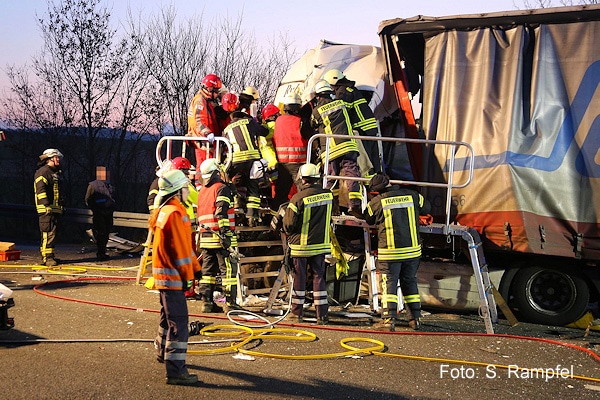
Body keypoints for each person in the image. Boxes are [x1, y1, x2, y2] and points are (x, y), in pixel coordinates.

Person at [149, 169, 201, 386]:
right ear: (177, 192)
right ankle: (176, 370)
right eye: (186, 187)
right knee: (178, 322)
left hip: (163, 275)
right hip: (173, 277)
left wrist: (194, 266)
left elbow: (182, 250)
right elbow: (181, 252)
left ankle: (162, 352)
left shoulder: (165, 210)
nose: (189, 190)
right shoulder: (176, 214)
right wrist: (192, 274)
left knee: (166, 317)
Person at [364, 173, 431, 331]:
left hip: (391, 252)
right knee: (410, 282)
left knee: (389, 285)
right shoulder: (413, 195)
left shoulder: (376, 202)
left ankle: (388, 321)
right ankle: (415, 319)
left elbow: (368, 218)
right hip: (412, 250)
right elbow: (427, 207)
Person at [283, 163, 333, 324]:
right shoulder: (328, 195)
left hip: (301, 246)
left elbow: (289, 224)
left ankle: (297, 313)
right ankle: (322, 315)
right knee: (319, 277)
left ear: (303, 179)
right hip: (320, 245)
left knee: (300, 278)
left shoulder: (297, 198)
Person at [309, 79, 363, 218]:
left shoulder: (317, 111)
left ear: (318, 96)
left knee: (330, 177)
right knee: (352, 173)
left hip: (330, 149)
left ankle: (331, 205)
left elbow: (313, 124)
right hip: (347, 145)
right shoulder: (341, 103)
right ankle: (355, 203)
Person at [196, 158, 238, 313]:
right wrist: (226, 235)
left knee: (207, 272)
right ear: (216, 172)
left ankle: (206, 303)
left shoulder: (202, 191)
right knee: (228, 272)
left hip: (205, 238)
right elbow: (221, 213)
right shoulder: (220, 188)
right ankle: (231, 304)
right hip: (219, 237)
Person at [222, 92, 269, 226]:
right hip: (254, 159)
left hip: (236, 160)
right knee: (253, 185)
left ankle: (236, 200)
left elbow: (225, 147)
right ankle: (251, 216)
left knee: (229, 180)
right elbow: (263, 132)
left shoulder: (226, 129)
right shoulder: (249, 121)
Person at [323, 69, 381, 174]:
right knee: (374, 158)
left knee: (366, 158)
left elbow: (342, 112)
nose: (330, 88)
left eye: (330, 85)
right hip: (369, 127)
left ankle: (371, 182)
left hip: (362, 128)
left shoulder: (342, 92)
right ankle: (378, 180)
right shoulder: (350, 89)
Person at [271, 92, 309, 215]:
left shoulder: (278, 121)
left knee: (280, 193)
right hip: (298, 163)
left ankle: (272, 219)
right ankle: (304, 215)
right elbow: (309, 135)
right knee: (304, 191)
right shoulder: (301, 122)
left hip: (282, 163)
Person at [187, 73, 223, 180]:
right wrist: (207, 133)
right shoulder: (200, 101)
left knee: (207, 166)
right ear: (209, 89)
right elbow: (199, 120)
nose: (217, 94)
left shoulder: (206, 101)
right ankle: (200, 187)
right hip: (202, 141)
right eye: (216, 91)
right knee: (203, 167)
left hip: (206, 141)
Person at [34, 148, 65, 267]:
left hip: (54, 208)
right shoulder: (43, 172)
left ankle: (50, 255)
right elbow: (40, 190)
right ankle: (47, 258)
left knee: (52, 233)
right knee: (48, 233)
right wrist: (46, 205)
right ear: (50, 158)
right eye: (56, 157)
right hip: (46, 209)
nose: (58, 160)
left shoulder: (53, 172)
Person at [85, 165, 116, 261]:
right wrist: (96, 209)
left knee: (106, 233)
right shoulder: (93, 185)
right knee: (101, 233)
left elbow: (113, 198)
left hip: (108, 213)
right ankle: (100, 253)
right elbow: (88, 199)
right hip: (99, 213)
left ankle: (103, 252)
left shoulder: (109, 185)